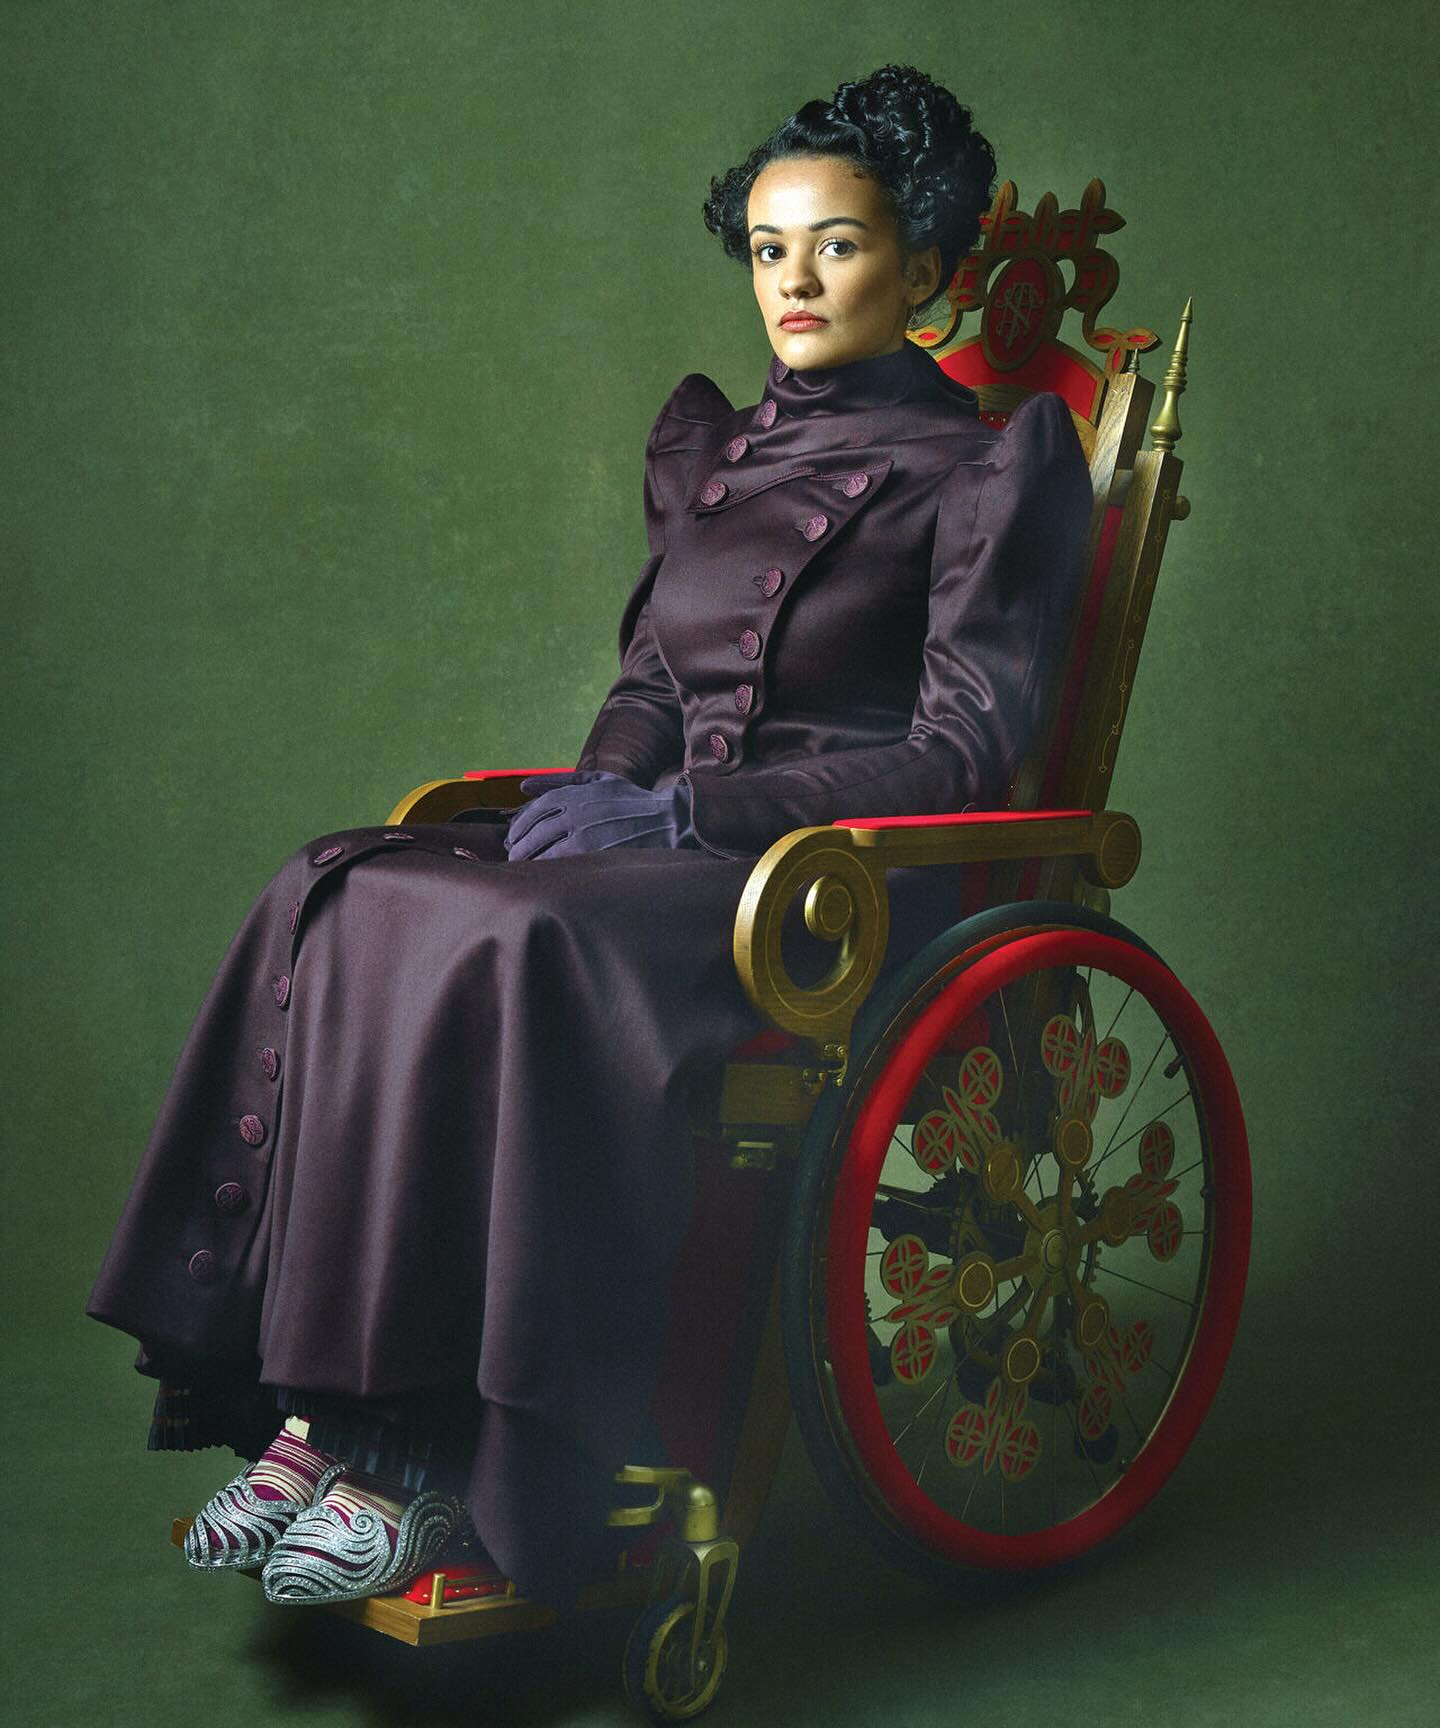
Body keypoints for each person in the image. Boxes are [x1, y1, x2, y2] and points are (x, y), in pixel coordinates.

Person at [87, 63, 1092, 1611]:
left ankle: (438, 1467)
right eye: (769, 248)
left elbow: (964, 754)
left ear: (926, 271)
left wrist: (685, 810)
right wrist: (595, 795)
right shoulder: (721, 451)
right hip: (665, 855)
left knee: (519, 933)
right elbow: (650, 690)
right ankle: (325, 1414)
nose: (794, 281)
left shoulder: (983, 471)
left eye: (837, 246)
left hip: (823, 888)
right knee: (344, 886)